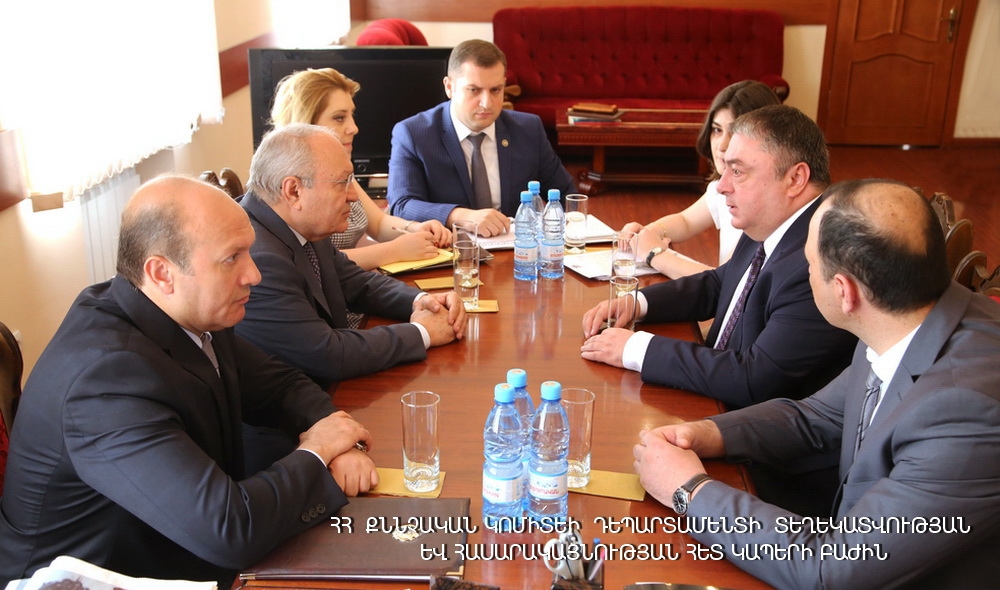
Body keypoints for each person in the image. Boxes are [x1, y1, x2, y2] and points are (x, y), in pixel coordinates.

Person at [0, 176, 377, 586]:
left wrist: (339, 439)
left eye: (249, 251)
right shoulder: (105, 381)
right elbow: (229, 530)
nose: (254, 274)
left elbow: (280, 384)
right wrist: (319, 452)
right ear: (162, 272)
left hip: (180, 545)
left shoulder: (184, 309)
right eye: (232, 258)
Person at [633, 179, 1000, 589]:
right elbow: (820, 415)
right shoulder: (900, 312)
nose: (806, 273)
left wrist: (689, 491)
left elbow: (834, 571)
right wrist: (707, 433)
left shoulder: (966, 411)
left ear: (844, 292)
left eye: (809, 264)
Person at [582, 105, 856, 408]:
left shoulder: (820, 261)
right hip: (716, 392)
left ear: (796, 178)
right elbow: (720, 283)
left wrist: (637, 349)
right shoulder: (771, 221)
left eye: (737, 171)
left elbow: (755, 378)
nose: (722, 186)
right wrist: (638, 303)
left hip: (751, 423)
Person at [234, 123, 467, 390]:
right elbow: (327, 354)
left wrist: (423, 301)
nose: (354, 196)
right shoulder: (260, 258)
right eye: (342, 183)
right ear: (294, 191)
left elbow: (356, 282)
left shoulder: (298, 224)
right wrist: (422, 332)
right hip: (294, 409)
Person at [387, 39, 576, 237]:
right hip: (448, 247)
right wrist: (461, 216)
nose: (487, 103)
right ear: (449, 87)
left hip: (516, 247)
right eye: (474, 90)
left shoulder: (528, 129)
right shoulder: (413, 134)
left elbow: (566, 195)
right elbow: (402, 205)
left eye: (495, 90)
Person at [271, 67, 451, 274]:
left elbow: (379, 223)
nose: (354, 128)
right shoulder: (291, 186)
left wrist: (414, 228)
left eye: (351, 116)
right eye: (339, 118)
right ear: (305, 122)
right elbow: (315, 262)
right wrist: (394, 250)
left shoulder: (339, 170)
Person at [620, 80, 781, 278]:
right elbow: (686, 221)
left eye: (734, 133)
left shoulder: (763, 204)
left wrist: (653, 253)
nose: (721, 145)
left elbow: (725, 281)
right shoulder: (721, 188)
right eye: (717, 130)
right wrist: (649, 232)